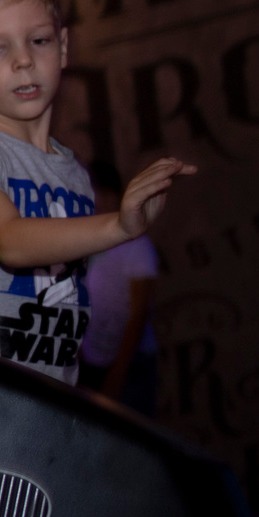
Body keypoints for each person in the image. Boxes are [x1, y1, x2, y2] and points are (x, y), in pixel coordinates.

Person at [0, 0, 191, 380]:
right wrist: (118, 226)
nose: (23, 60)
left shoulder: (74, 174)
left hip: (47, 396)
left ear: (63, 47)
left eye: (39, 40)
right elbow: (8, 240)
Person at [77, 161, 161, 414]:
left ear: (118, 195)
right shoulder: (85, 239)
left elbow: (139, 313)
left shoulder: (136, 245)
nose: (99, 200)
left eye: (104, 193)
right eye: (93, 192)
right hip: (91, 360)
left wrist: (118, 371)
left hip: (131, 364)